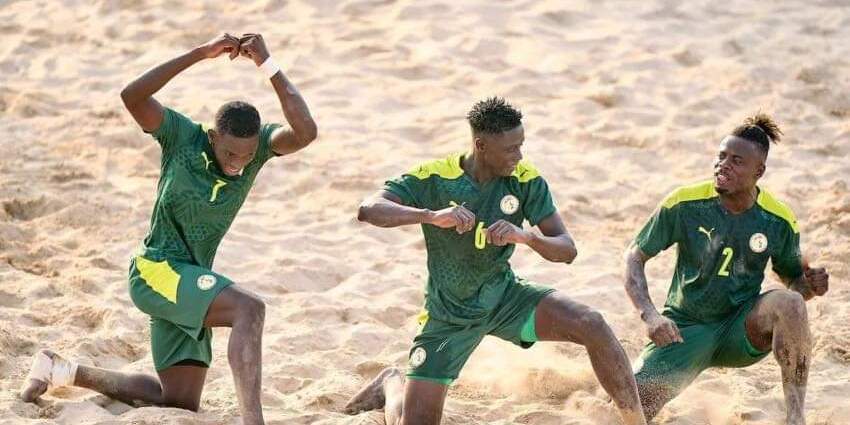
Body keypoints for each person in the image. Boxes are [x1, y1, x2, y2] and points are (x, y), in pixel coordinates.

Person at [20, 32, 317, 425]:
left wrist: (269, 65)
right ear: (213, 137)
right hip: (156, 269)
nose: (237, 164)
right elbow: (132, 96)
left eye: (246, 157)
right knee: (250, 309)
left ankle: (61, 370)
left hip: (192, 279)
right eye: (229, 152)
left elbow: (306, 133)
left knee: (176, 401)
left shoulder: (256, 150)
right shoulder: (182, 138)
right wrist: (200, 53)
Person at [344, 97, 647, 425]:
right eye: (510, 149)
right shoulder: (436, 177)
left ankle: (635, 421)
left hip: (505, 298)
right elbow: (369, 209)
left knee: (592, 324)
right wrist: (431, 216)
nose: (519, 156)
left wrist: (527, 237)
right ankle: (392, 384)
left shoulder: (526, 180)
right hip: (449, 315)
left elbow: (567, 249)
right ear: (481, 145)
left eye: (521, 145)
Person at [624, 113, 829, 424]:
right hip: (686, 329)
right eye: (721, 157)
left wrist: (810, 286)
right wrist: (651, 315)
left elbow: (794, 283)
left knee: (791, 303)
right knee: (630, 408)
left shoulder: (778, 219)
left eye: (736, 161)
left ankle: (795, 417)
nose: (723, 165)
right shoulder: (684, 203)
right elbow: (634, 258)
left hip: (741, 326)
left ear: (759, 171)